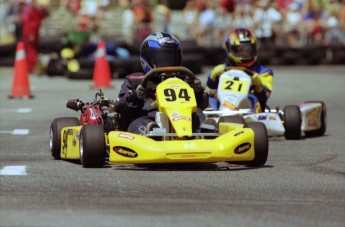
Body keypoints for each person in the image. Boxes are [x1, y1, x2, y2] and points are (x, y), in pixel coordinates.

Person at [114, 32, 209, 134]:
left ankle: (205, 132)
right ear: (147, 59)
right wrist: (135, 95)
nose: (168, 65)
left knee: (199, 114)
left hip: (184, 118)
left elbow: (202, 104)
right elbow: (120, 105)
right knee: (137, 125)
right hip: (150, 118)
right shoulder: (135, 80)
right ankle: (152, 134)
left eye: (172, 59)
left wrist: (198, 91)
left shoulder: (185, 79)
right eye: (162, 59)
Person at [206, 28, 273, 113]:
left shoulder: (264, 72)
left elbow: (264, 97)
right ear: (230, 49)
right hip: (222, 106)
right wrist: (212, 76)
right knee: (210, 99)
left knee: (251, 98)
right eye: (241, 50)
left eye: (248, 50)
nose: (245, 54)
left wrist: (258, 85)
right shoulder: (222, 69)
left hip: (249, 110)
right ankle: (211, 117)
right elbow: (210, 87)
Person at [21, 0, 49, 73]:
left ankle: (31, 66)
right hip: (30, 32)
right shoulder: (29, 10)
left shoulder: (36, 10)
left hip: (35, 32)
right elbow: (26, 23)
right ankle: (30, 67)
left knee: (33, 49)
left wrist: (44, 9)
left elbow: (43, 15)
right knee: (31, 50)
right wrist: (30, 34)